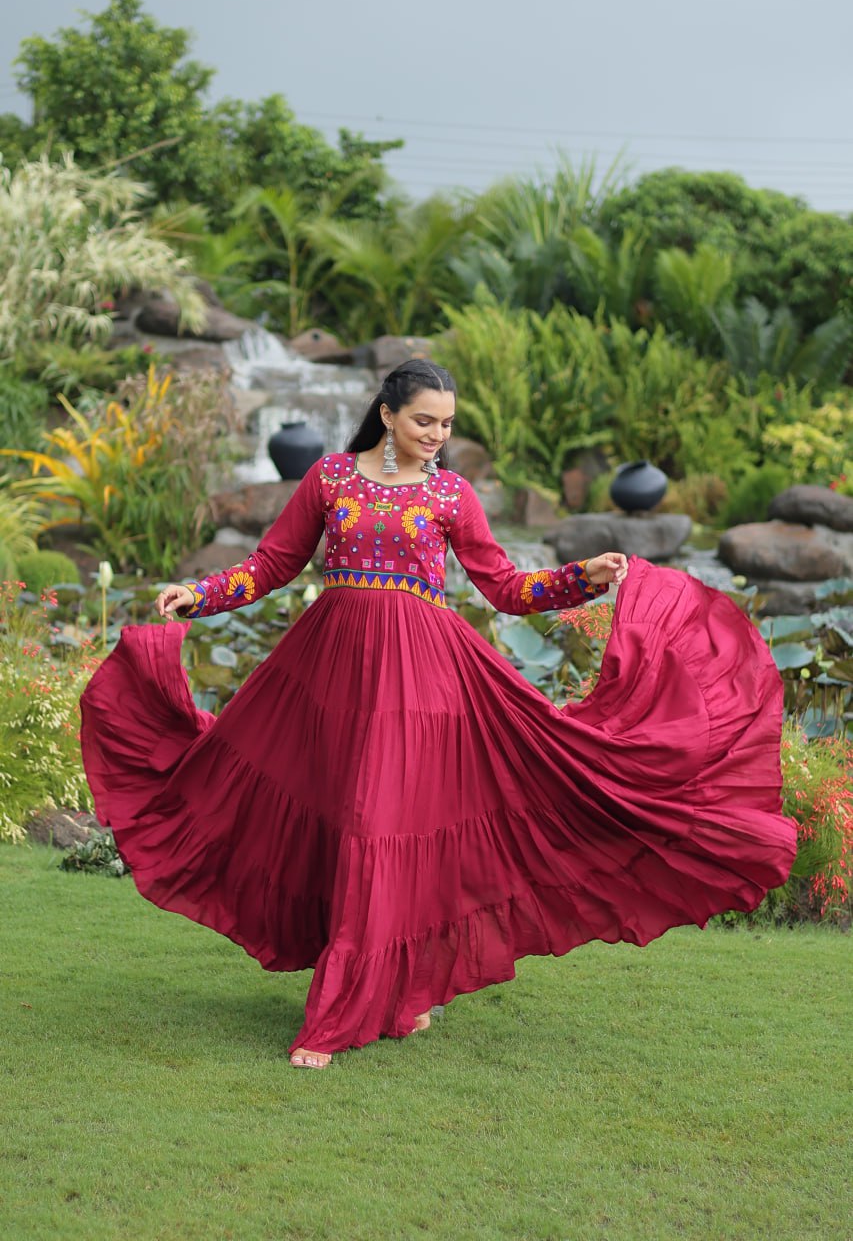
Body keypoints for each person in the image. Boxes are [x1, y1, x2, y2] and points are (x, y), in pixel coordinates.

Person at [80, 359, 797, 1070]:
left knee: (382, 827)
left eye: (447, 424)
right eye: (425, 420)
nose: (436, 434)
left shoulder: (452, 493)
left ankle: (343, 1013)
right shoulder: (330, 477)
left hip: (422, 683)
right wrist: (201, 594)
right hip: (331, 675)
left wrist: (583, 576)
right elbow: (271, 564)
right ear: (387, 414)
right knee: (342, 822)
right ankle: (399, 990)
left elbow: (506, 587)